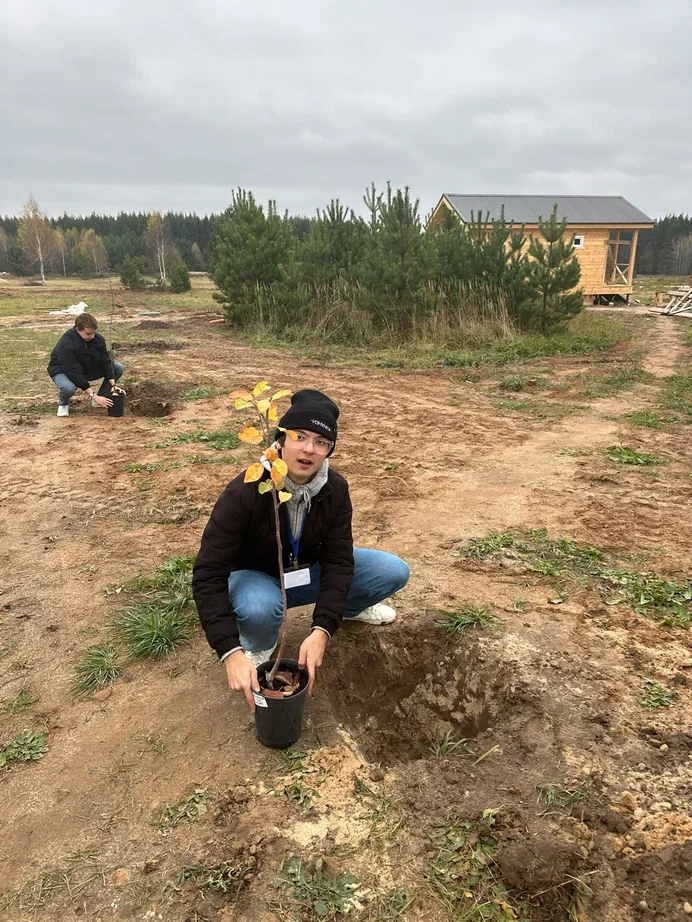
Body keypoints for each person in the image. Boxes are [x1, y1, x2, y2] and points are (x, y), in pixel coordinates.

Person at [193, 389, 410, 711]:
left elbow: (338, 559)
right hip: (256, 577)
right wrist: (229, 651)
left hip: (306, 572)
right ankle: (258, 643)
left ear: (329, 450)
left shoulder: (335, 489)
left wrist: (323, 627)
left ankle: (348, 610)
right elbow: (208, 573)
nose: (309, 449)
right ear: (281, 439)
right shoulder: (246, 491)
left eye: (321, 442)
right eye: (300, 436)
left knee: (392, 571)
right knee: (258, 607)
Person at [47, 312, 124, 417]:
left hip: (85, 368)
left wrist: (113, 385)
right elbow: (73, 372)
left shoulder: (98, 339)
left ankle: (99, 400)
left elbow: (105, 361)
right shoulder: (67, 344)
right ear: (78, 330)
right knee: (68, 388)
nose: (92, 336)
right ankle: (63, 404)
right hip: (63, 371)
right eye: (88, 334)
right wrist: (93, 395)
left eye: (94, 333)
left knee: (117, 368)